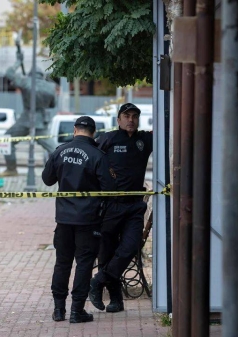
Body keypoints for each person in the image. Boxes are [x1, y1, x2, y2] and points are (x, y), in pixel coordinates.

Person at [42, 116, 115, 323]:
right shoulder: (97, 155)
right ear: (93, 133)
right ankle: (77, 311)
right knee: (84, 264)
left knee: (62, 263)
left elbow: (47, 180)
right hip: (88, 220)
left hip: (64, 219)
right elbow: (109, 189)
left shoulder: (59, 151)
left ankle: (58, 310)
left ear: (75, 130)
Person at [88, 103, 153, 313]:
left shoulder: (145, 139)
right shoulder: (108, 139)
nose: (131, 120)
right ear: (118, 120)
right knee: (107, 253)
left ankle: (98, 281)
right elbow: (90, 161)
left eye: (135, 116)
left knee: (130, 247)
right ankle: (116, 300)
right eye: (126, 116)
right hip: (110, 205)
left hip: (134, 206)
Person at [1, 50, 57, 176]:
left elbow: (9, 73)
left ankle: (11, 169)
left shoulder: (26, 81)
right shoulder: (50, 87)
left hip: (26, 119)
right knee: (53, 149)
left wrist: (18, 62)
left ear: (31, 74)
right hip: (41, 121)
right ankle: (62, 169)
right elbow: (53, 104)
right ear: (41, 75)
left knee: (7, 140)